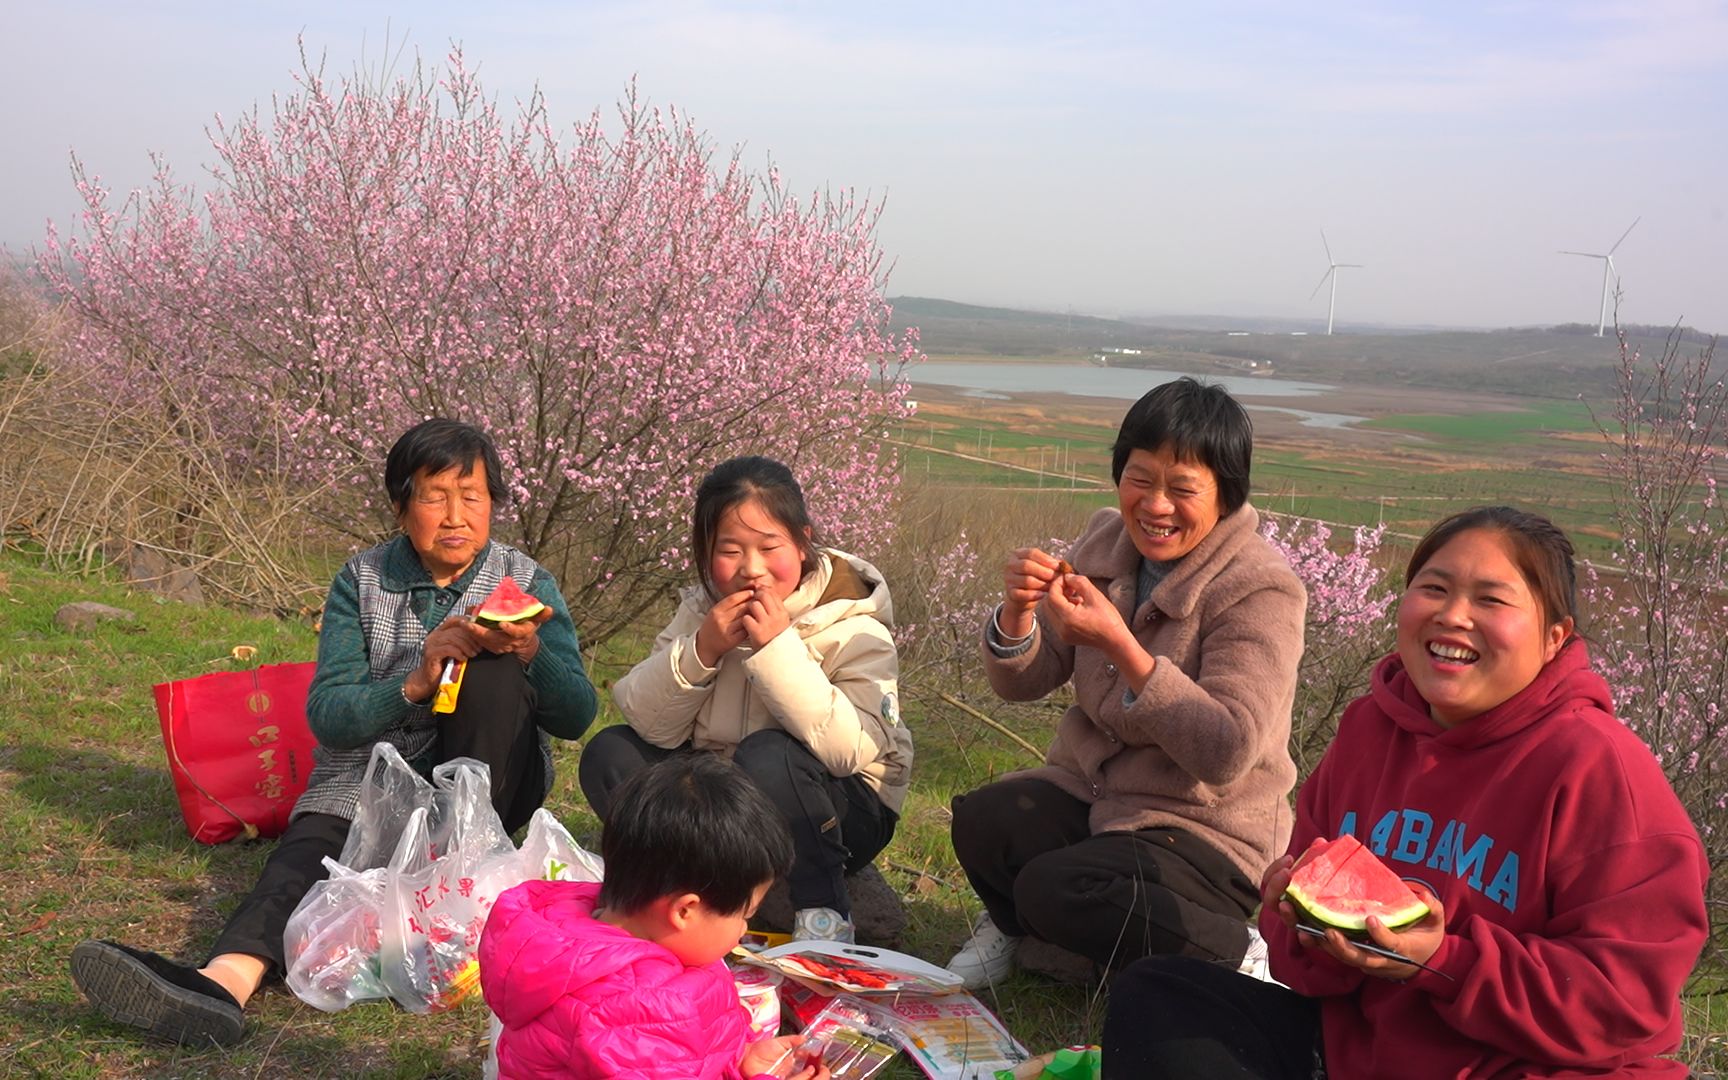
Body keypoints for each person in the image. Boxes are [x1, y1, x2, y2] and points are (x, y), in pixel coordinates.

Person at [1102, 506, 1710, 1079]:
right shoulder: (1370, 727)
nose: (1453, 616)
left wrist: (1443, 963)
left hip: (1519, 1067)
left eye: (1491, 599)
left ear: (1555, 637)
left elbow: (1624, 1004)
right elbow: (1298, 961)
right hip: (1360, 1052)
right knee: (1158, 994)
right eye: (1435, 588)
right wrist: (1299, 922)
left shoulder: (1601, 769)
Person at [70, 418, 599, 1046]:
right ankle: (221, 986)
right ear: (402, 507)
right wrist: (415, 681)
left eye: (473, 497)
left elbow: (576, 715)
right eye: (435, 496)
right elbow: (329, 715)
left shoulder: (527, 580)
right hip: (367, 774)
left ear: (493, 506)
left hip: (486, 786)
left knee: (493, 679)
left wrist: (530, 650)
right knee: (305, 857)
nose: (456, 515)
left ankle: (448, 874)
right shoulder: (361, 580)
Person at [946, 377, 1306, 989]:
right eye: (1140, 479)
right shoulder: (1105, 543)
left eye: (1182, 488)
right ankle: (1018, 932)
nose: (1155, 505)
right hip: (1093, 793)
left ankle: (1238, 952)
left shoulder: (1260, 588)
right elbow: (1026, 682)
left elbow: (1227, 751)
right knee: (984, 820)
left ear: (1225, 496)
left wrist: (1121, 644)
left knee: (1057, 888)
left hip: (1202, 828)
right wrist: (1017, 614)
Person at [579, 455, 910, 944]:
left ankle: (824, 916)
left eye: (769, 546)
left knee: (769, 753)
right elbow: (649, 724)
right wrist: (703, 650)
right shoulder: (700, 611)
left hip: (837, 814)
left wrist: (777, 650)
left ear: (802, 541)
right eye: (729, 550)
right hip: (729, 802)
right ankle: (680, 892)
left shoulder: (854, 622)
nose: (751, 570)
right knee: (612, 752)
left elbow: (850, 751)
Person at [481, 753, 830, 1080]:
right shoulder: (635, 1009)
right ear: (684, 911)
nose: (743, 929)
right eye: (744, 914)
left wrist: (741, 1061)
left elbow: (688, 1062)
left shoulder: (582, 938)